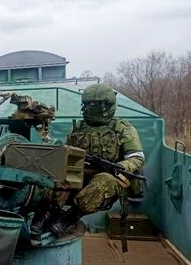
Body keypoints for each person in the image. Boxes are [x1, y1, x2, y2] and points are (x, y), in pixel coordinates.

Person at [33, 83, 145, 236]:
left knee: (103, 180)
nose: (91, 107)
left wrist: (121, 167)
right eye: (89, 104)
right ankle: (43, 217)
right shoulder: (77, 129)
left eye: (96, 104)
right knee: (59, 177)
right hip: (81, 174)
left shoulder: (123, 129)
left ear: (107, 105)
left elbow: (136, 158)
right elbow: (67, 155)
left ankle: (67, 219)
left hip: (111, 178)